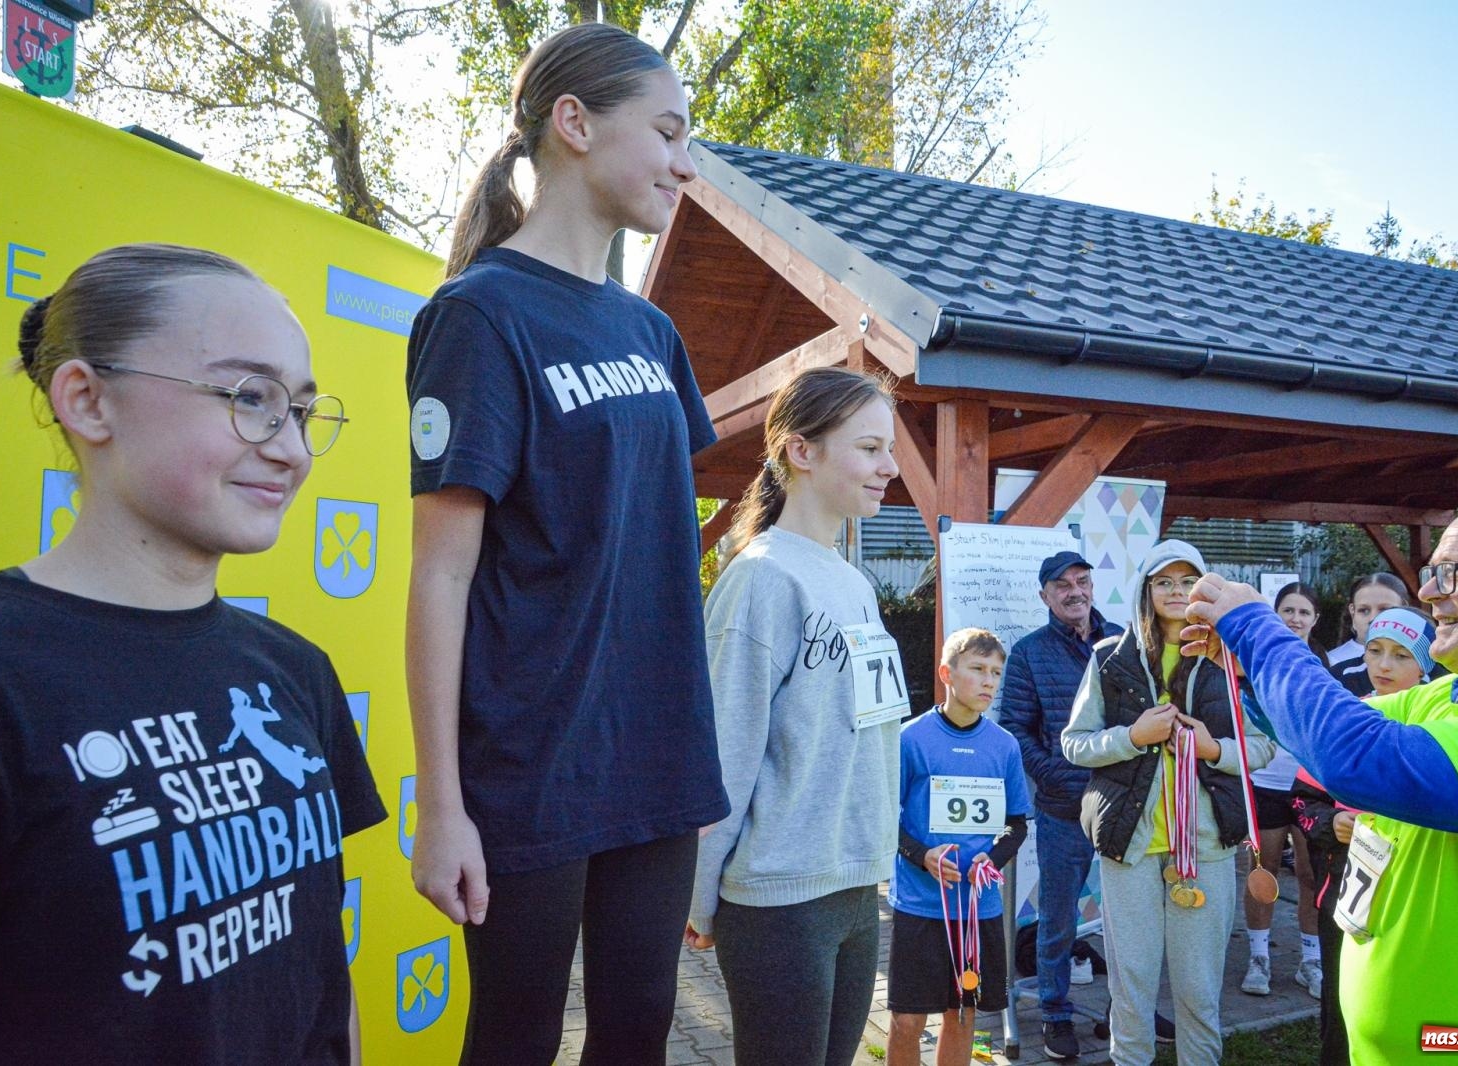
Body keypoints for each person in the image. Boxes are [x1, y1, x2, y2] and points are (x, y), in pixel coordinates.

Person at [403, 24, 727, 1066]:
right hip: (531, 765)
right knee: (514, 1038)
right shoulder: (478, 315)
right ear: (574, 124)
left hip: (659, 753)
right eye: (668, 131)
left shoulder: (650, 334)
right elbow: (441, 572)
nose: (686, 160)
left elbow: (662, 541)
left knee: (636, 1033)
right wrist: (442, 806)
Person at [0, 244, 385, 1062]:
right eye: (250, 397)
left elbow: (317, 967)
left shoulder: (296, 672)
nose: (292, 450)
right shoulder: (3, 673)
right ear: (89, 401)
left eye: (303, 412)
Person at [1184, 494, 1458, 1066]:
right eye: (1430, 573)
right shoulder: (1452, 696)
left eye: (1453, 573)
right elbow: (1317, 734)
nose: (1427, 592)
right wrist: (1253, 669)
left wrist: (1257, 627)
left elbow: (1356, 755)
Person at [685, 367, 903, 1066]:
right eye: (870, 448)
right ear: (800, 451)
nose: (890, 468)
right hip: (778, 900)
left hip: (853, 889)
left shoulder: (853, 582)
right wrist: (696, 897)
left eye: (888, 450)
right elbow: (724, 753)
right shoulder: (760, 579)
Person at [1063, 541, 1273, 1066]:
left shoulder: (1231, 659)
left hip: (1205, 850)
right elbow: (1075, 742)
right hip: (1128, 847)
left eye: (1187, 582)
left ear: (1204, 589)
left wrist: (1215, 749)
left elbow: (1265, 746)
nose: (1176, 592)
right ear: (1146, 590)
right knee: (1129, 991)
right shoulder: (1109, 657)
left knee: (1199, 993)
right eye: (1164, 582)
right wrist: (1132, 736)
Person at [999, 551, 1131, 1060]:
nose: (1075, 591)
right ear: (1045, 596)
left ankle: (1129, 1006)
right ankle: (1055, 1013)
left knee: (1131, 912)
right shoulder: (1029, 652)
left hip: (1125, 805)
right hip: (1063, 809)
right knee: (1058, 917)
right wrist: (1062, 776)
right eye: (1062, 585)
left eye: (1082, 581)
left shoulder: (1120, 639)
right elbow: (1015, 728)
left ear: (1092, 586)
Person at [1291, 605, 1435, 1066]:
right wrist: (1330, 825)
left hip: (1421, 893)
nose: (1384, 666)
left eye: (1401, 655)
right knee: (1342, 1008)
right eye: (1375, 651)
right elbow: (1300, 799)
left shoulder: (1448, 725)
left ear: (1427, 664)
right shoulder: (1345, 717)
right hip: (1347, 891)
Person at [887, 628, 1032, 1066]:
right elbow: (882, 818)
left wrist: (995, 856)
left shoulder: (1004, 746)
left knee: (963, 1015)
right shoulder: (910, 738)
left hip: (977, 910)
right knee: (906, 1023)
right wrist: (921, 855)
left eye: (996, 673)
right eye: (978, 670)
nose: (990, 681)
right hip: (920, 905)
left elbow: (1016, 824)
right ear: (947, 673)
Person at [1241, 582, 1323, 999]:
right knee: (1263, 872)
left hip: (1311, 789)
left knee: (1311, 875)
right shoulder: (1256, 663)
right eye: (1287, 610)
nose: (1295, 618)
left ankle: (1310, 960)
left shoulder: (1325, 665)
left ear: (1315, 619)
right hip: (1265, 784)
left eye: (1303, 612)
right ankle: (1259, 958)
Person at [1326, 573, 1410, 690]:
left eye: (1384, 610)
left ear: (1404, 609)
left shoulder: (1426, 667)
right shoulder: (1331, 667)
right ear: (1352, 612)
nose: (1373, 618)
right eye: (1364, 610)